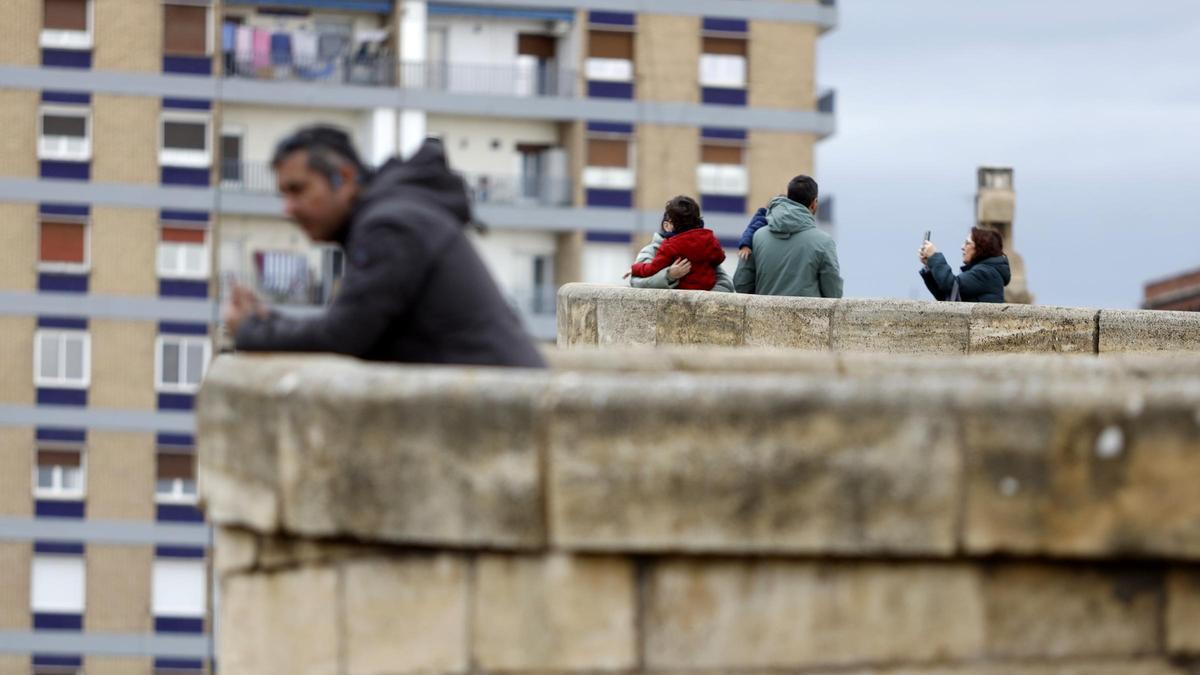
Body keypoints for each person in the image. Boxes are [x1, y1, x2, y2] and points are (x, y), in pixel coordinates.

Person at [222, 125, 546, 368]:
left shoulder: (389, 227)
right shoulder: (392, 214)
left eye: (298, 190)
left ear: (343, 178)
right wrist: (268, 321)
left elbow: (344, 336)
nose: (288, 209)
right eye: (284, 195)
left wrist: (251, 331)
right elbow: (357, 326)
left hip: (502, 417)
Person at [733, 175, 843, 297]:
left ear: (789, 198)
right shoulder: (824, 242)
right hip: (806, 310)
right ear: (814, 204)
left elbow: (741, 284)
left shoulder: (757, 236)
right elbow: (833, 293)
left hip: (764, 309)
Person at [628, 197, 735, 292]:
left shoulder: (669, 247)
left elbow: (726, 284)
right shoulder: (709, 241)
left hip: (683, 302)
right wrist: (669, 275)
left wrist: (634, 268)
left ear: (668, 225)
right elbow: (636, 282)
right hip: (702, 297)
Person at [918, 227, 1010, 303]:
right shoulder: (987, 271)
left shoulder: (986, 273)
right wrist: (930, 266)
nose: (962, 247)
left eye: (967, 243)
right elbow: (947, 295)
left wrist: (934, 257)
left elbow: (952, 286)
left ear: (981, 247)